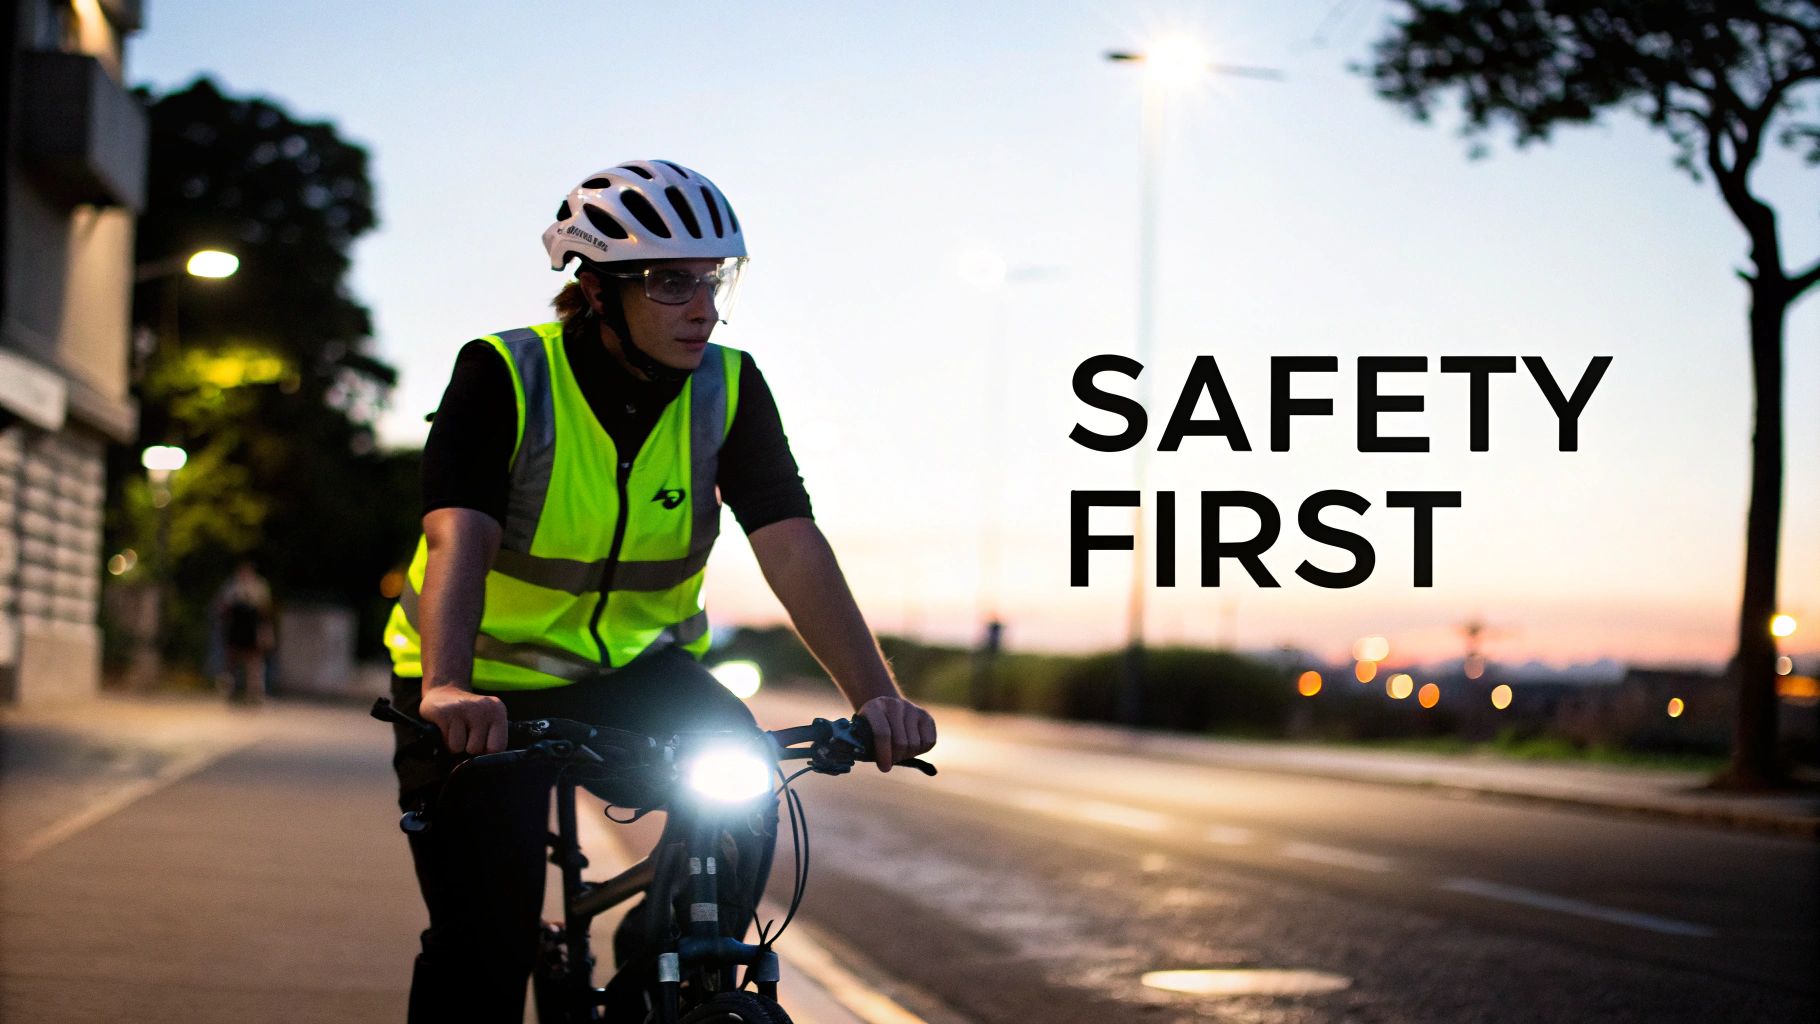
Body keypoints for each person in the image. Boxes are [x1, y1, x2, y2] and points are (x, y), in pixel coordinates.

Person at [381, 159, 937, 1022]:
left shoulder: (731, 388)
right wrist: (448, 685)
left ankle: (654, 980)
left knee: (748, 785)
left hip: (636, 669)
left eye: (713, 279)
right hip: (481, 681)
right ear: (598, 289)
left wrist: (877, 696)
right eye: (672, 282)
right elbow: (462, 531)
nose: (703, 306)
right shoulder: (507, 373)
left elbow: (790, 542)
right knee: (484, 934)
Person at [213, 561, 274, 703]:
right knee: (231, 660)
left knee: (254, 661)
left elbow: (265, 609)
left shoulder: (259, 586)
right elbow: (224, 607)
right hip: (236, 627)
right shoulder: (232, 586)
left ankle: (255, 692)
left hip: (251, 627)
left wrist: (264, 628)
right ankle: (230, 691)